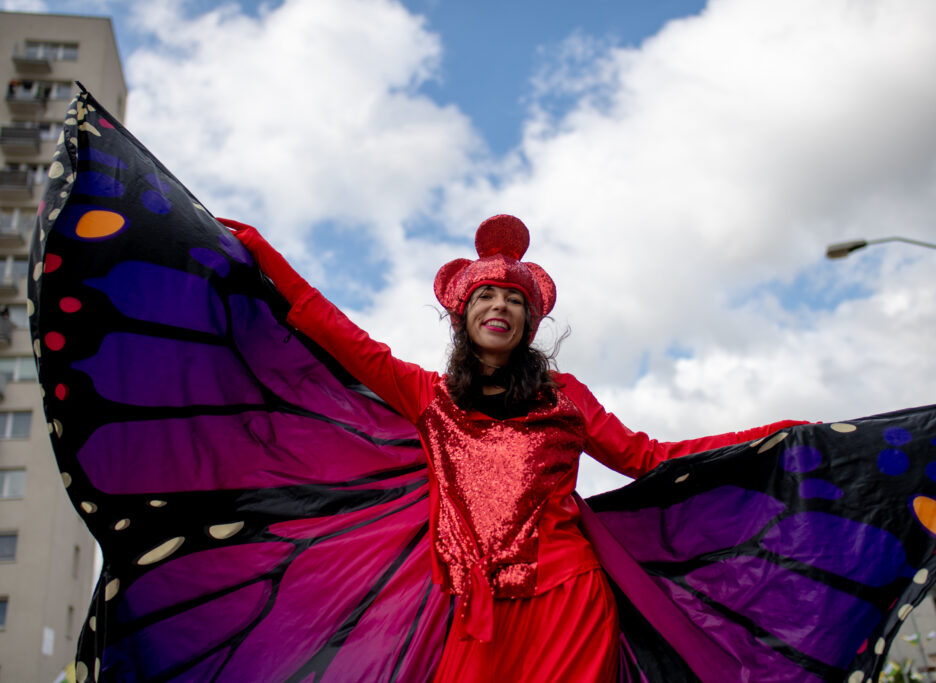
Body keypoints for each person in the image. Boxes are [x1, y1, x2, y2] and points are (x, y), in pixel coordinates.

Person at [221, 213, 804, 682]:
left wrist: (768, 437)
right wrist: (261, 252)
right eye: (486, 296)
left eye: (513, 299)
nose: (499, 305)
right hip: (480, 618)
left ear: (528, 321)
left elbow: (645, 457)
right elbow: (339, 333)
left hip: (569, 598)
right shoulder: (430, 397)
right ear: (463, 314)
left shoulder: (564, 397)